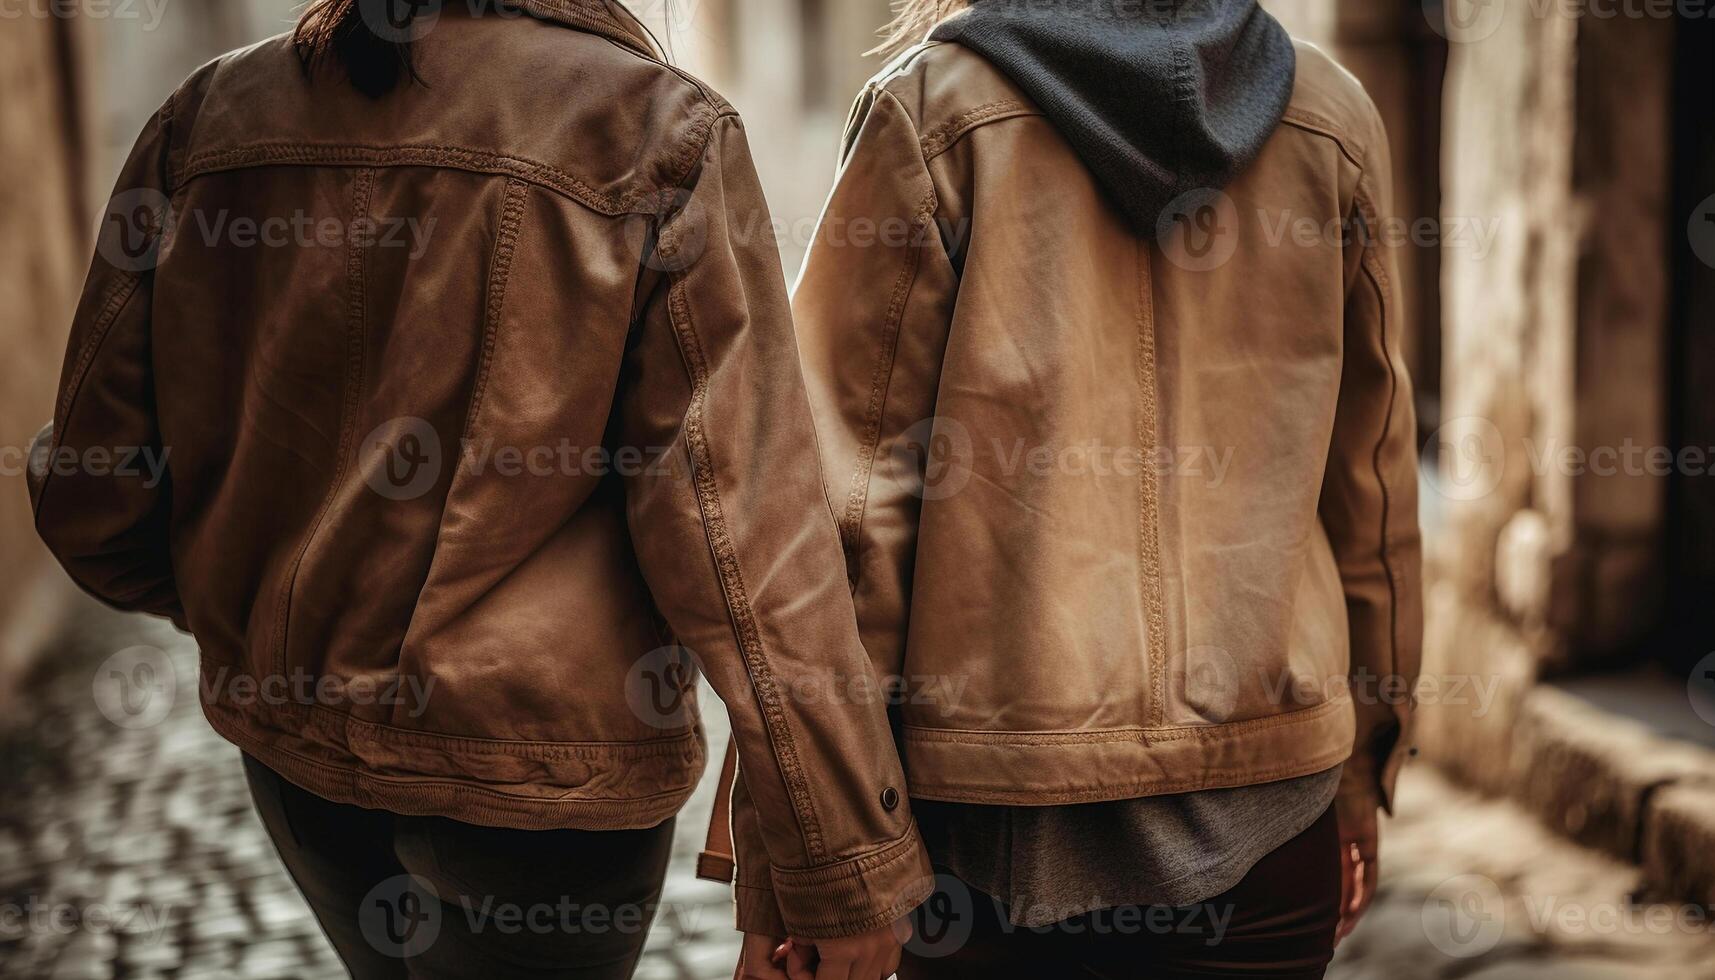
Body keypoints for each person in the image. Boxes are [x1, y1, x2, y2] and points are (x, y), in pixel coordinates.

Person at [29, 1, 930, 977]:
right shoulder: (655, 131)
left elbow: (98, 490)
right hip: (542, 775)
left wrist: (249, 613)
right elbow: (739, 530)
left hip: (298, 756)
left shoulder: (206, 117)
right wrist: (836, 856)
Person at [746, 0, 1425, 976]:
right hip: (1273, 825)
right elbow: (1371, 479)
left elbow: (843, 514)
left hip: (990, 846)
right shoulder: (1329, 113)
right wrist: (1364, 760)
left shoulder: (937, 109)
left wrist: (816, 857)